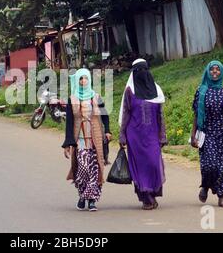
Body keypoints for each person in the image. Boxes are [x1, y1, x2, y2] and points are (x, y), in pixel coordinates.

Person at [119, 59, 167, 210]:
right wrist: (122, 134)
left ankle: (152, 193)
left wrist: (163, 135)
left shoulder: (156, 90)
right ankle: (146, 198)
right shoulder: (130, 91)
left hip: (152, 135)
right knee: (139, 167)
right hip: (135, 135)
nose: (141, 74)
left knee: (153, 163)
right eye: (137, 71)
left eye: (143, 70)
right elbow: (126, 113)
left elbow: (160, 115)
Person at [62, 68, 112, 212]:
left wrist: (107, 130)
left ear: (89, 80)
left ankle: (91, 200)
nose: (83, 81)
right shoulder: (73, 99)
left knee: (95, 169)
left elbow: (105, 115)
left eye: (85, 78)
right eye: (80, 79)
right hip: (80, 139)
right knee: (82, 168)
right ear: (77, 81)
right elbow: (69, 123)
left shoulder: (96, 97)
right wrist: (68, 143)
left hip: (95, 138)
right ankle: (82, 195)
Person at [191, 61, 223, 208]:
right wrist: (193, 135)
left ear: (222, 72)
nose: (215, 72)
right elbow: (196, 114)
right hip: (208, 132)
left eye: (218, 70)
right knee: (209, 165)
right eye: (212, 69)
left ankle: (221, 196)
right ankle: (205, 186)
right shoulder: (201, 91)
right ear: (207, 71)